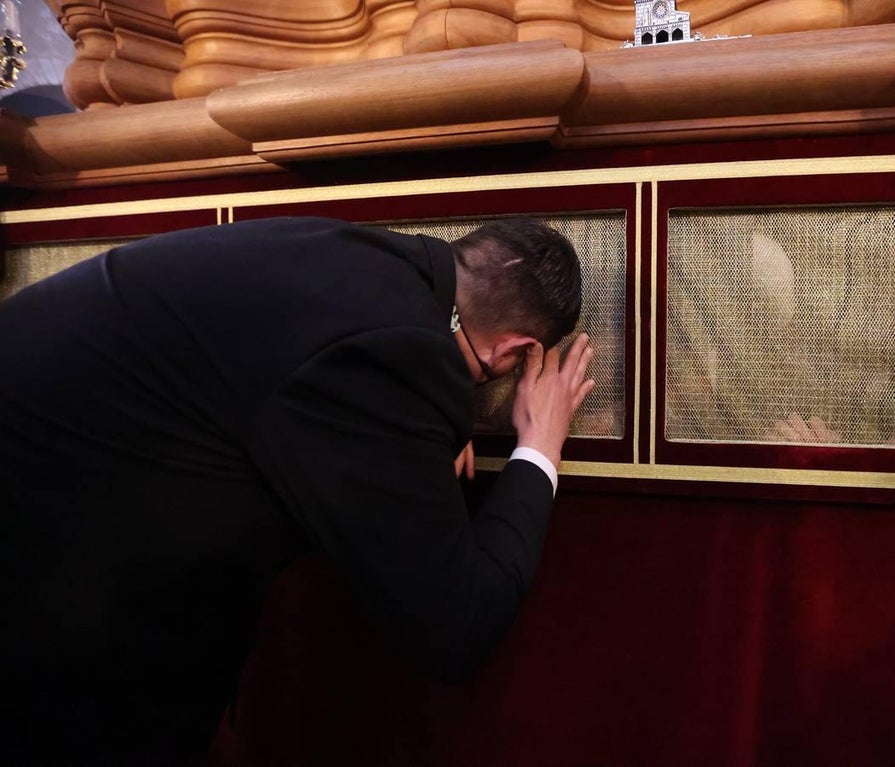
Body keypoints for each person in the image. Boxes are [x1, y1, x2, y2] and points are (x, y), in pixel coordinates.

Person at [0, 215, 595, 765]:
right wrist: (538, 447)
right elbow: (456, 625)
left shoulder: (370, 261)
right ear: (517, 352)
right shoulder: (401, 354)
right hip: (47, 584)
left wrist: (433, 430)